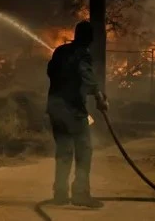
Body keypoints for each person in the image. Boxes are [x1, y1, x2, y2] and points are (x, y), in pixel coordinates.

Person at [46, 20, 109, 208]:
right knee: (84, 150)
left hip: (55, 109)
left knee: (64, 150)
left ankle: (60, 194)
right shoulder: (83, 54)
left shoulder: (59, 51)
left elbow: (51, 72)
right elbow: (87, 77)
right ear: (89, 39)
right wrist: (99, 98)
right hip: (74, 110)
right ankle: (80, 194)